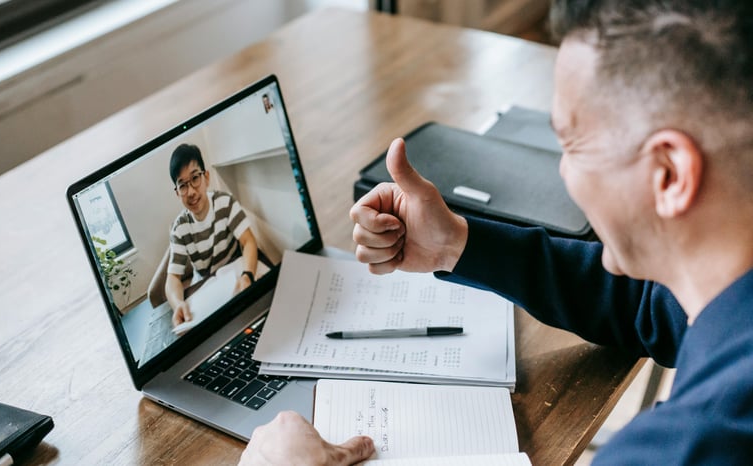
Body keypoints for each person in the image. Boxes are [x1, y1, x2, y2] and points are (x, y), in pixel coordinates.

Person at [238, 0, 753, 464]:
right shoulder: (722, 286)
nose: (563, 173)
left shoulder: (687, 446)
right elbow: (649, 304)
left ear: (669, 175)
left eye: (572, 145)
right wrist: (455, 244)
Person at [167, 143, 258, 328]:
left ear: (206, 177)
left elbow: (248, 241)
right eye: (182, 185)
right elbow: (172, 278)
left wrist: (247, 275)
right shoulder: (179, 228)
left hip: (235, 276)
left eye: (195, 178)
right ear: (177, 193)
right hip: (205, 289)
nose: (191, 192)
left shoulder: (225, 202)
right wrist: (178, 304)